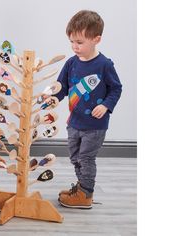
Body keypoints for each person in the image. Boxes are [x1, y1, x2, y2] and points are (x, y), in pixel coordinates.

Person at [54, 10, 122, 209]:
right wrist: (51, 98)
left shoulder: (104, 65)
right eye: (72, 42)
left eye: (80, 42)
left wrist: (106, 105)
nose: (75, 47)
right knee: (75, 157)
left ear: (96, 39)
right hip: (74, 122)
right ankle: (82, 187)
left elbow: (116, 88)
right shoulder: (71, 63)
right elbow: (62, 88)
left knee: (86, 158)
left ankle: (86, 195)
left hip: (95, 125)